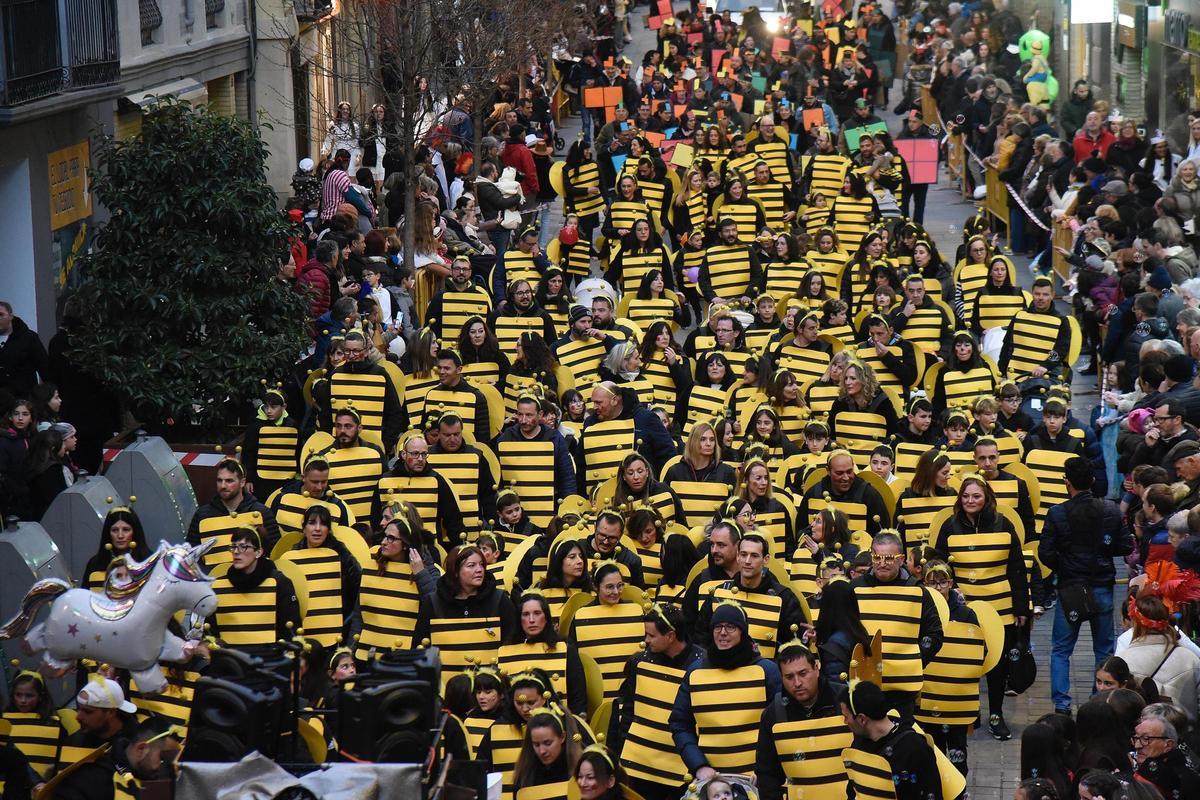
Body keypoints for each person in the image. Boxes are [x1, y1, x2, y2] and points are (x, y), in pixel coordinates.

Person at [930, 474, 1030, 740]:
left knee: (997, 666)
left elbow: (1017, 569)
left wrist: (1022, 608)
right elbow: (939, 566)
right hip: (964, 610)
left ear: (987, 498)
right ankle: (969, 711)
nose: (970, 501)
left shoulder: (1004, 524)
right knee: (966, 661)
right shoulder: (950, 526)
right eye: (965, 496)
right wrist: (950, 592)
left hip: (1001, 608)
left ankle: (996, 715)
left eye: (976, 496)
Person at [1039, 456, 1133, 715]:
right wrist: (1103, 550)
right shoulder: (1111, 510)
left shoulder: (1057, 513)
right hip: (1101, 584)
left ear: (1066, 482)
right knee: (1104, 649)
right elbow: (1126, 545)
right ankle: (1099, 699)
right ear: (1092, 480)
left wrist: (1064, 565)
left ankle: (1062, 705)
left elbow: (1045, 553)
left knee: (1061, 649)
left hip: (1071, 588)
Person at [668, 601, 782, 780]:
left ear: (742, 632)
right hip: (711, 779)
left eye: (730, 627)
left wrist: (767, 769)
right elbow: (680, 724)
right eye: (718, 627)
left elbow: (781, 724)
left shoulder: (767, 670)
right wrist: (699, 766)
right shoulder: (695, 672)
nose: (722, 632)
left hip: (758, 778)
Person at [609, 603, 704, 800]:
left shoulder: (703, 665)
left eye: (651, 635)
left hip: (683, 768)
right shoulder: (639, 662)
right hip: (641, 766)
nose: (646, 640)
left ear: (670, 636)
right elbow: (627, 713)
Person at [851, 531, 944, 722]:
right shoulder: (855, 588)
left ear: (901, 559)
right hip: (863, 684)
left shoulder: (917, 591)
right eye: (877, 558)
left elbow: (934, 634)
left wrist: (914, 662)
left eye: (889, 558)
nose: (882, 563)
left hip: (903, 689)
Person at [755, 639, 850, 800]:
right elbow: (767, 774)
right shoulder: (773, 714)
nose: (797, 683)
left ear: (816, 669)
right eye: (789, 677)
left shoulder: (844, 700)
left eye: (803, 673)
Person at [414, 545, 516, 685]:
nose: (479, 570)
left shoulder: (500, 600)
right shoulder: (433, 603)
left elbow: (511, 645)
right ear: (455, 571)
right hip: (443, 690)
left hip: (489, 689)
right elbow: (419, 648)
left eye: (481, 564)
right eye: (471, 565)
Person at [694, 533, 805, 660]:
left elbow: (794, 643)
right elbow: (701, 637)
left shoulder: (783, 597)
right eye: (743, 554)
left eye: (754, 556)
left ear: (766, 559)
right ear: (737, 557)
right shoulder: (719, 593)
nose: (747, 561)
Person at [839, 679, 943, 800]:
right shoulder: (859, 743)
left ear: (862, 719)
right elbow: (852, 793)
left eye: (846, 717)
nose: (845, 722)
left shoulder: (916, 749)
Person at [208, 526, 302, 649]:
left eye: (243, 546)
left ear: (258, 552)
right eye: (233, 546)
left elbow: (290, 630)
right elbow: (210, 632)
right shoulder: (217, 585)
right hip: (229, 659)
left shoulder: (279, 582)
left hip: (270, 658)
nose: (236, 551)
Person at [1118, 594, 1200, 723]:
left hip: (1142, 732)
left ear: (1137, 624)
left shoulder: (1124, 659)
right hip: (1183, 730)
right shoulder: (1190, 658)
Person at [1133, 713, 1200, 796]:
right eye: (1136, 738)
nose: (1137, 746)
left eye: (1146, 739)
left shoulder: (1153, 779)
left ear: (1168, 745)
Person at [0, 302, 47, 399]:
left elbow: (44, 368)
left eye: (1, 315)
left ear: (11, 316)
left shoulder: (28, 338)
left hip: (23, 398)